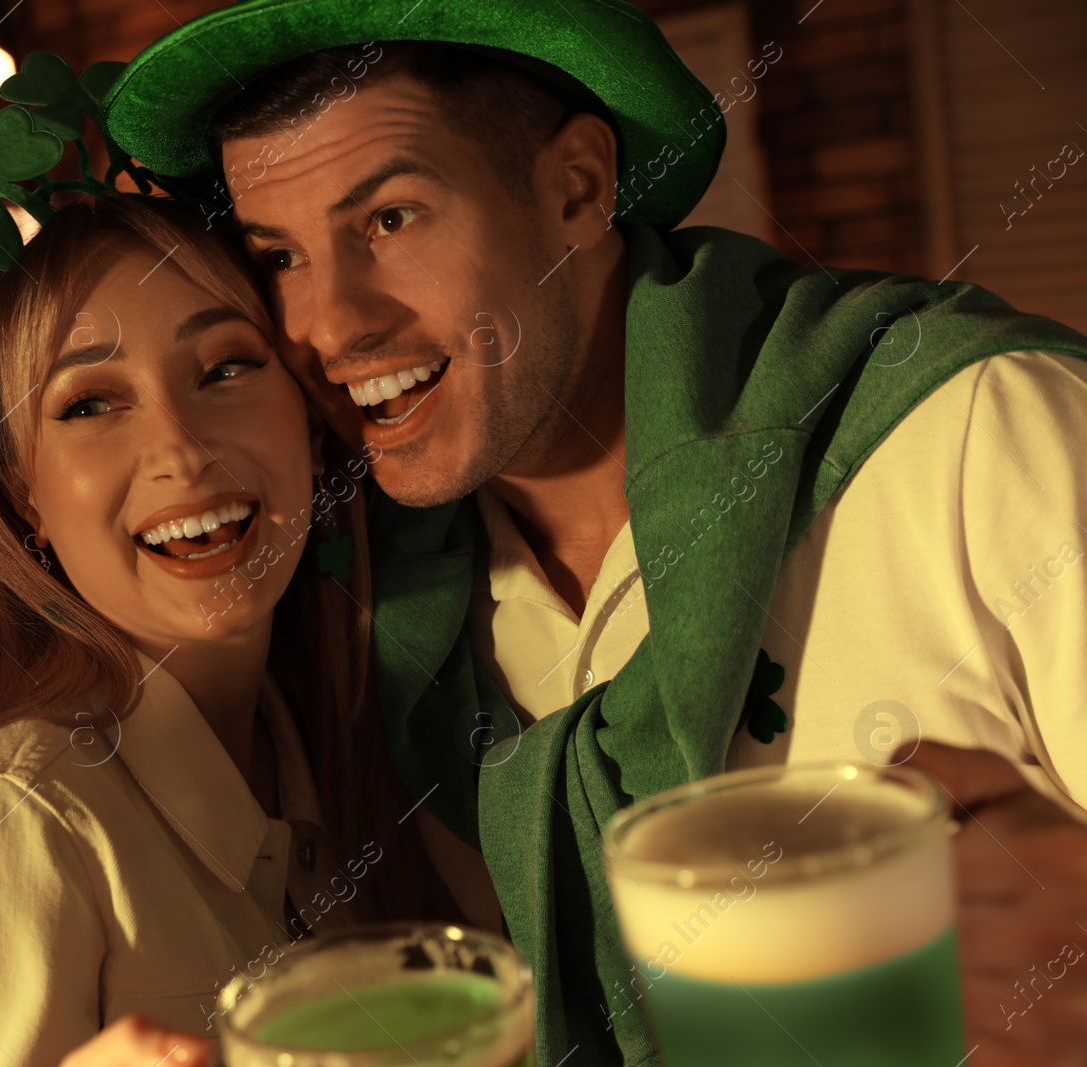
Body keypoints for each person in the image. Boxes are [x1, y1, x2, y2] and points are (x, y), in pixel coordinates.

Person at [97, 4, 1087, 1065]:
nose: (332, 325)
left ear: (576, 187)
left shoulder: (980, 434)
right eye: (281, 256)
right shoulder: (378, 606)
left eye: (390, 219)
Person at [0, 193, 455, 1066]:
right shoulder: (2, 829)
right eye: (90, 403)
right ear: (25, 497)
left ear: (314, 433)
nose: (179, 449)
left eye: (225, 369)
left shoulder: (323, 752)